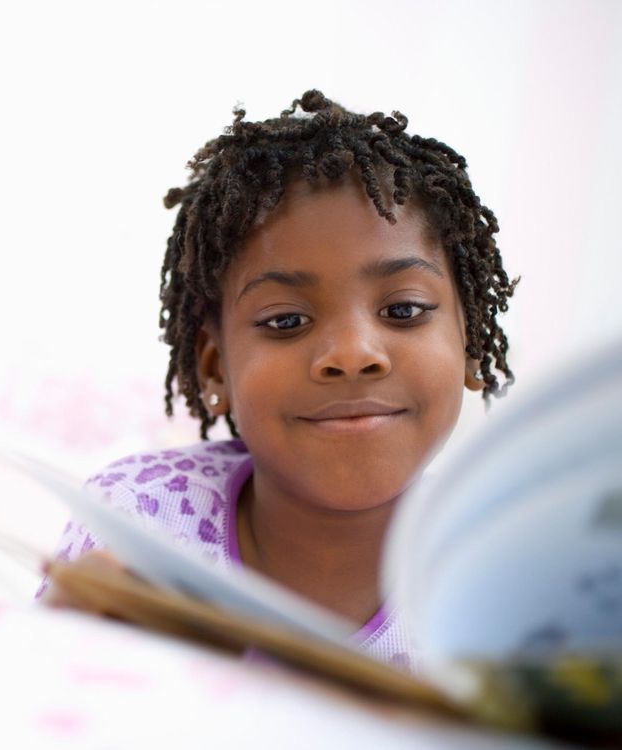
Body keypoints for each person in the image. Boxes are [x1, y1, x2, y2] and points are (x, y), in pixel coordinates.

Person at [38, 90, 517, 669]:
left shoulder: (509, 577)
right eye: (286, 320)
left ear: (468, 345)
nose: (353, 354)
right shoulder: (139, 522)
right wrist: (60, 650)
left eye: (404, 310)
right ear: (216, 368)